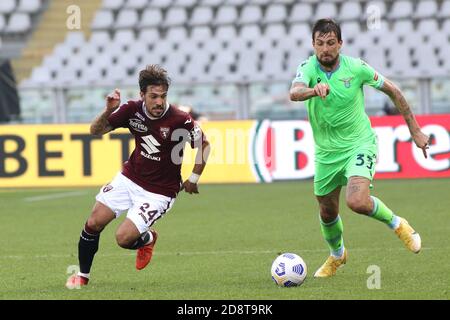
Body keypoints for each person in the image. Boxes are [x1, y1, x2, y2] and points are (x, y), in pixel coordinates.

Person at [289, 19, 430, 278]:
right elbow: (294, 92)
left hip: (359, 143)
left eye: (331, 43)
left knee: (356, 201)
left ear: (340, 44)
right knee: (327, 210)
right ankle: (337, 255)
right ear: (313, 45)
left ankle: (399, 225)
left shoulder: (356, 68)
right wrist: (313, 90)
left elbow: (394, 91)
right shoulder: (307, 67)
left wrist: (415, 130)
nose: (325, 49)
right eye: (320, 44)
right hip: (326, 153)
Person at [66, 65, 210, 288]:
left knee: (123, 239)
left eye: (163, 96)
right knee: (94, 222)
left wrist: (193, 178)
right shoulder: (132, 110)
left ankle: (148, 239)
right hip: (129, 178)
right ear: (142, 94)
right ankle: (83, 276)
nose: (159, 102)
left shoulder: (180, 119)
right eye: (153, 96)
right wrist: (108, 110)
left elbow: (204, 145)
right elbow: (95, 131)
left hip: (160, 192)